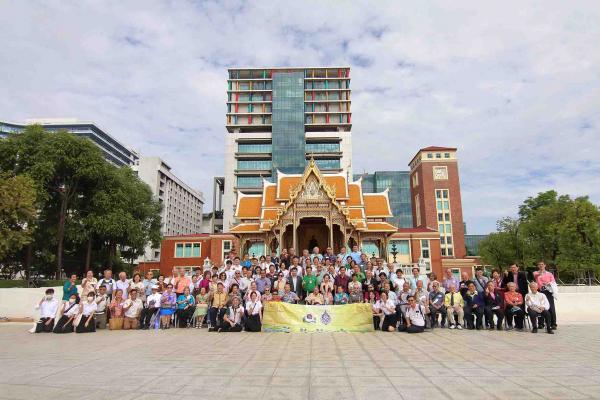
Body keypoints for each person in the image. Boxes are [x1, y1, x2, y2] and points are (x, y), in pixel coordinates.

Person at [533, 261, 557, 330]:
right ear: (538, 266)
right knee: (540, 306)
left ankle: (553, 324)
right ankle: (541, 324)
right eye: (539, 264)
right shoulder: (535, 273)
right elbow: (535, 277)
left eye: (542, 264)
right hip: (540, 291)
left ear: (545, 265)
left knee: (551, 307)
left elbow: (553, 282)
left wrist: (548, 283)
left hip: (548, 291)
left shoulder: (549, 274)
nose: (541, 266)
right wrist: (540, 274)